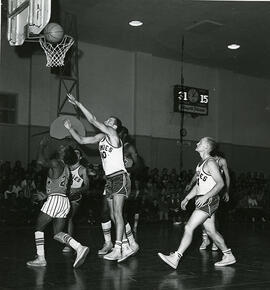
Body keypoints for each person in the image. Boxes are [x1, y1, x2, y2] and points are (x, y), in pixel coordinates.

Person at [63, 93, 134, 262]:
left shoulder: (113, 135)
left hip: (119, 177)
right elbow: (81, 139)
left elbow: (94, 120)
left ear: (115, 127)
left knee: (117, 213)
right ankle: (125, 246)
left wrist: (78, 104)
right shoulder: (101, 138)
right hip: (109, 179)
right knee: (112, 213)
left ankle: (118, 248)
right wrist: (69, 128)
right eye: (107, 120)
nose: (107, 121)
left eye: (110, 121)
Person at [158, 137, 236, 269]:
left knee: (189, 227)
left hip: (209, 199)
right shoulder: (201, 163)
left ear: (206, 147)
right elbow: (198, 185)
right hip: (203, 198)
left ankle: (176, 257)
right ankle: (228, 255)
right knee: (211, 232)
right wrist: (187, 198)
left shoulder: (211, 162)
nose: (197, 143)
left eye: (200, 142)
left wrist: (206, 196)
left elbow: (220, 183)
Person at [27, 137, 89, 268]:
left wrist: (41, 147)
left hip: (55, 200)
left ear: (64, 154)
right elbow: (58, 185)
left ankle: (41, 258)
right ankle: (79, 247)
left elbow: (40, 162)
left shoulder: (56, 163)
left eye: (63, 148)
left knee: (39, 227)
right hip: (63, 201)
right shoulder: (66, 168)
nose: (60, 146)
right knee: (57, 234)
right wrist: (46, 194)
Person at [98, 126, 140, 255]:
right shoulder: (109, 143)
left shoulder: (128, 147)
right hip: (111, 179)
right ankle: (109, 242)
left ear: (123, 134)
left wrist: (127, 168)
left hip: (122, 178)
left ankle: (129, 243)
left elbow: (139, 166)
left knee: (117, 213)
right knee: (106, 212)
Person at [184, 149, 230, 251]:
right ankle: (207, 240)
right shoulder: (205, 161)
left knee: (207, 218)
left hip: (214, 191)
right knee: (205, 221)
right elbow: (197, 175)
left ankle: (214, 242)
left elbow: (226, 176)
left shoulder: (221, 161)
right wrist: (191, 184)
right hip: (203, 191)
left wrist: (227, 191)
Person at [62, 148, 90, 253]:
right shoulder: (66, 167)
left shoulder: (82, 169)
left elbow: (87, 186)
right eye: (74, 153)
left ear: (80, 157)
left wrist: (77, 190)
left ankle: (69, 245)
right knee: (61, 220)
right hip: (64, 195)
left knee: (69, 218)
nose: (75, 154)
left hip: (75, 197)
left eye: (78, 153)